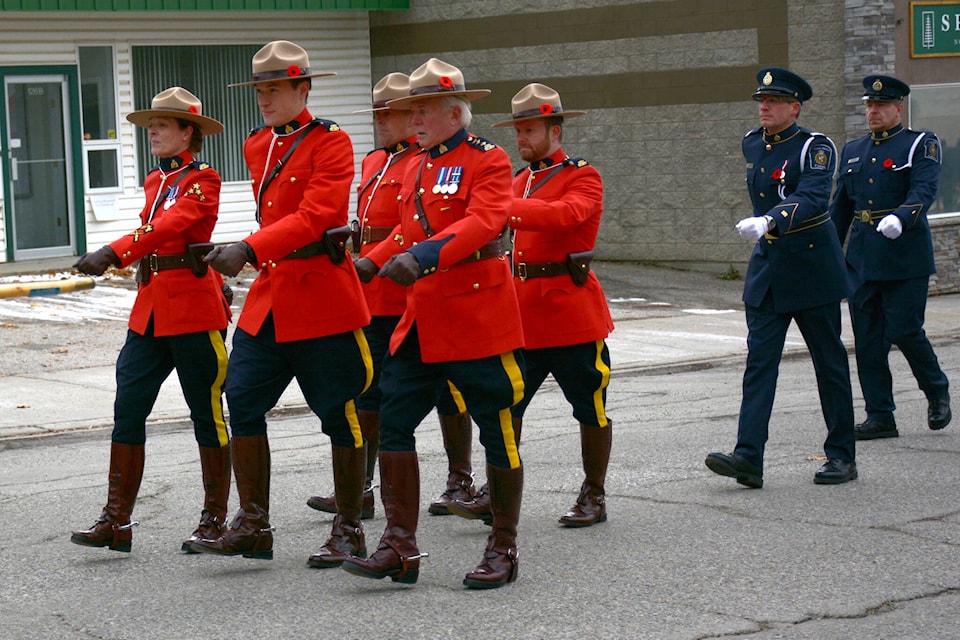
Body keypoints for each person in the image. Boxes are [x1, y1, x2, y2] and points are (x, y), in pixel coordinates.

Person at [340, 58, 526, 589]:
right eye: (410, 110)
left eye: (422, 109)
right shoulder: (417, 164)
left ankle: (503, 547)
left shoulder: (488, 158)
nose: (414, 118)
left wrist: (423, 256)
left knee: (498, 432)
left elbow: (484, 221)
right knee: (395, 422)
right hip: (423, 319)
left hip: (475, 314)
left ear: (454, 111)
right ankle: (400, 545)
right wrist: (373, 260)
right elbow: (406, 229)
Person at [188, 41, 373, 568]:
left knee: (340, 412)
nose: (264, 99)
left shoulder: (331, 142)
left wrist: (249, 248)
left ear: (303, 88)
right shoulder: (258, 143)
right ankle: (253, 524)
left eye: (275, 89)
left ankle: (350, 527)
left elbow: (317, 216)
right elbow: (274, 218)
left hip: (321, 293)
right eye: (259, 90)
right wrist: (249, 247)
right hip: (271, 297)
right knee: (242, 400)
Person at [305, 72, 477, 521]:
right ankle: (361, 484)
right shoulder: (375, 160)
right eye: (378, 112)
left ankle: (460, 477)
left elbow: (420, 227)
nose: (383, 121)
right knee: (368, 388)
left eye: (393, 112)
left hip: (409, 282)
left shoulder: (428, 161)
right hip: (373, 286)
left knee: (448, 389)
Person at [71, 87, 232, 553]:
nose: (154, 133)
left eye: (163, 125)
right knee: (128, 407)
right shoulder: (154, 180)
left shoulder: (205, 178)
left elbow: (168, 227)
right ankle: (116, 520)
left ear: (189, 132)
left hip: (193, 307)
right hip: (151, 310)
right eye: (151, 127)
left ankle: (214, 519)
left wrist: (113, 251)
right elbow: (154, 229)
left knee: (206, 413)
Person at [448, 83, 614, 528]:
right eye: (517, 128)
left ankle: (593, 494)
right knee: (506, 407)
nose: (520, 137)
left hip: (568, 311)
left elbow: (565, 215)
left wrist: (501, 208)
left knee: (589, 406)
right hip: (520, 313)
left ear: (554, 130)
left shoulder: (582, 175)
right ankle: (495, 492)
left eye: (529, 128)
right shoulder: (520, 181)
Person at [705, 68, 857, 488]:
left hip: (812, 269)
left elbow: (811, 197)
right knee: (759, 365)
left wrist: (770, 220)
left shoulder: (816, 147)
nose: (764, 107)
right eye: (761, 100)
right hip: (771, 271)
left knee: (829, 364)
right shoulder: (753, 143)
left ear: (795, 106)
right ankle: (748, 457)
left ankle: (842, 455)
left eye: (773, 101)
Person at [830, 75, 951, 440]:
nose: (873, 112)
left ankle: (936, 391)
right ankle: (880, 414)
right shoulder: (853, 151)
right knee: (867, 339)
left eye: (881, 106)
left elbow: (924, 188)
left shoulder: (919, 144)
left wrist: (902, 215)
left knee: (904, 330)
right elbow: (840, 211)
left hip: (904, 257)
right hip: (864, 258)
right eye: (869, 105)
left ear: (899, 108)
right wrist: (827, 256)